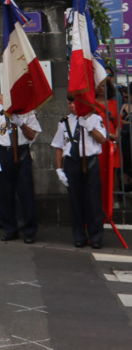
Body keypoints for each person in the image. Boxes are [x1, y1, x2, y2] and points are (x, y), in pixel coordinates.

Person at [53, 96, 107, 248]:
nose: (71, 105)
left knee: (93, 201)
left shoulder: (95, 118)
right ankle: (79, 236)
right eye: (69, 103)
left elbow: (102, 139)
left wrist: (89, 127)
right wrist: (59, 168)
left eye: (74, 102)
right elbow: (59, 146)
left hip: (90, 161)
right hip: (72, 163)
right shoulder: (64, 122)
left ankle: (96, 237)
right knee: (75, 201)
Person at [0, 100, 41, 243]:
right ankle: (10, 229)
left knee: (25, 193)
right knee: (5, 193)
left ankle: (29, 231)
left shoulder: (28, 114)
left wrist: (21, 124)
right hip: (4, 153)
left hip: (22, 152)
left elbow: (32, 136)